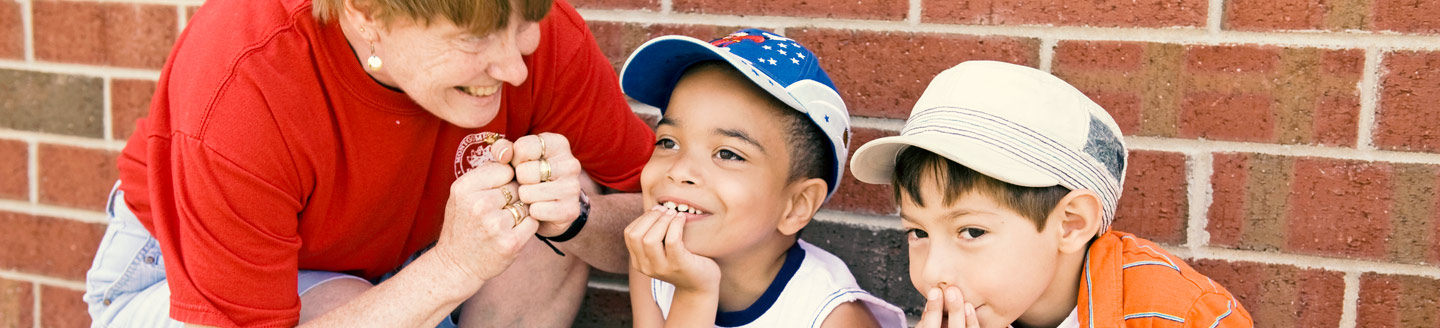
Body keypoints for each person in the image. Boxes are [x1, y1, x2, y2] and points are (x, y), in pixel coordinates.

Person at [81, 0, 654, 325]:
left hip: (393, 257)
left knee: (550, 191)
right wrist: (451, 270)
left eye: (522, 26)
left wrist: (575, 220)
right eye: (472, 38)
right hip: (187, 283)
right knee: (345, 301)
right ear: (365, 14)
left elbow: (657, 214)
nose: (516, 68)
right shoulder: (247, 76)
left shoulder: (539, 34)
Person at [848, 60, 1254, 328]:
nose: (934, 273)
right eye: (917, 233)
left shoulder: (1181, 315)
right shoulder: (987, 304)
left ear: (1071, 224)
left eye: (971, 232)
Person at [616, 29, 908, 328]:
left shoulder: (830, 318)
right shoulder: (652, 265)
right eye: (668, 142)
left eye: (728, 154)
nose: (679, 171)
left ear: (797, 205)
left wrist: (695, 294)